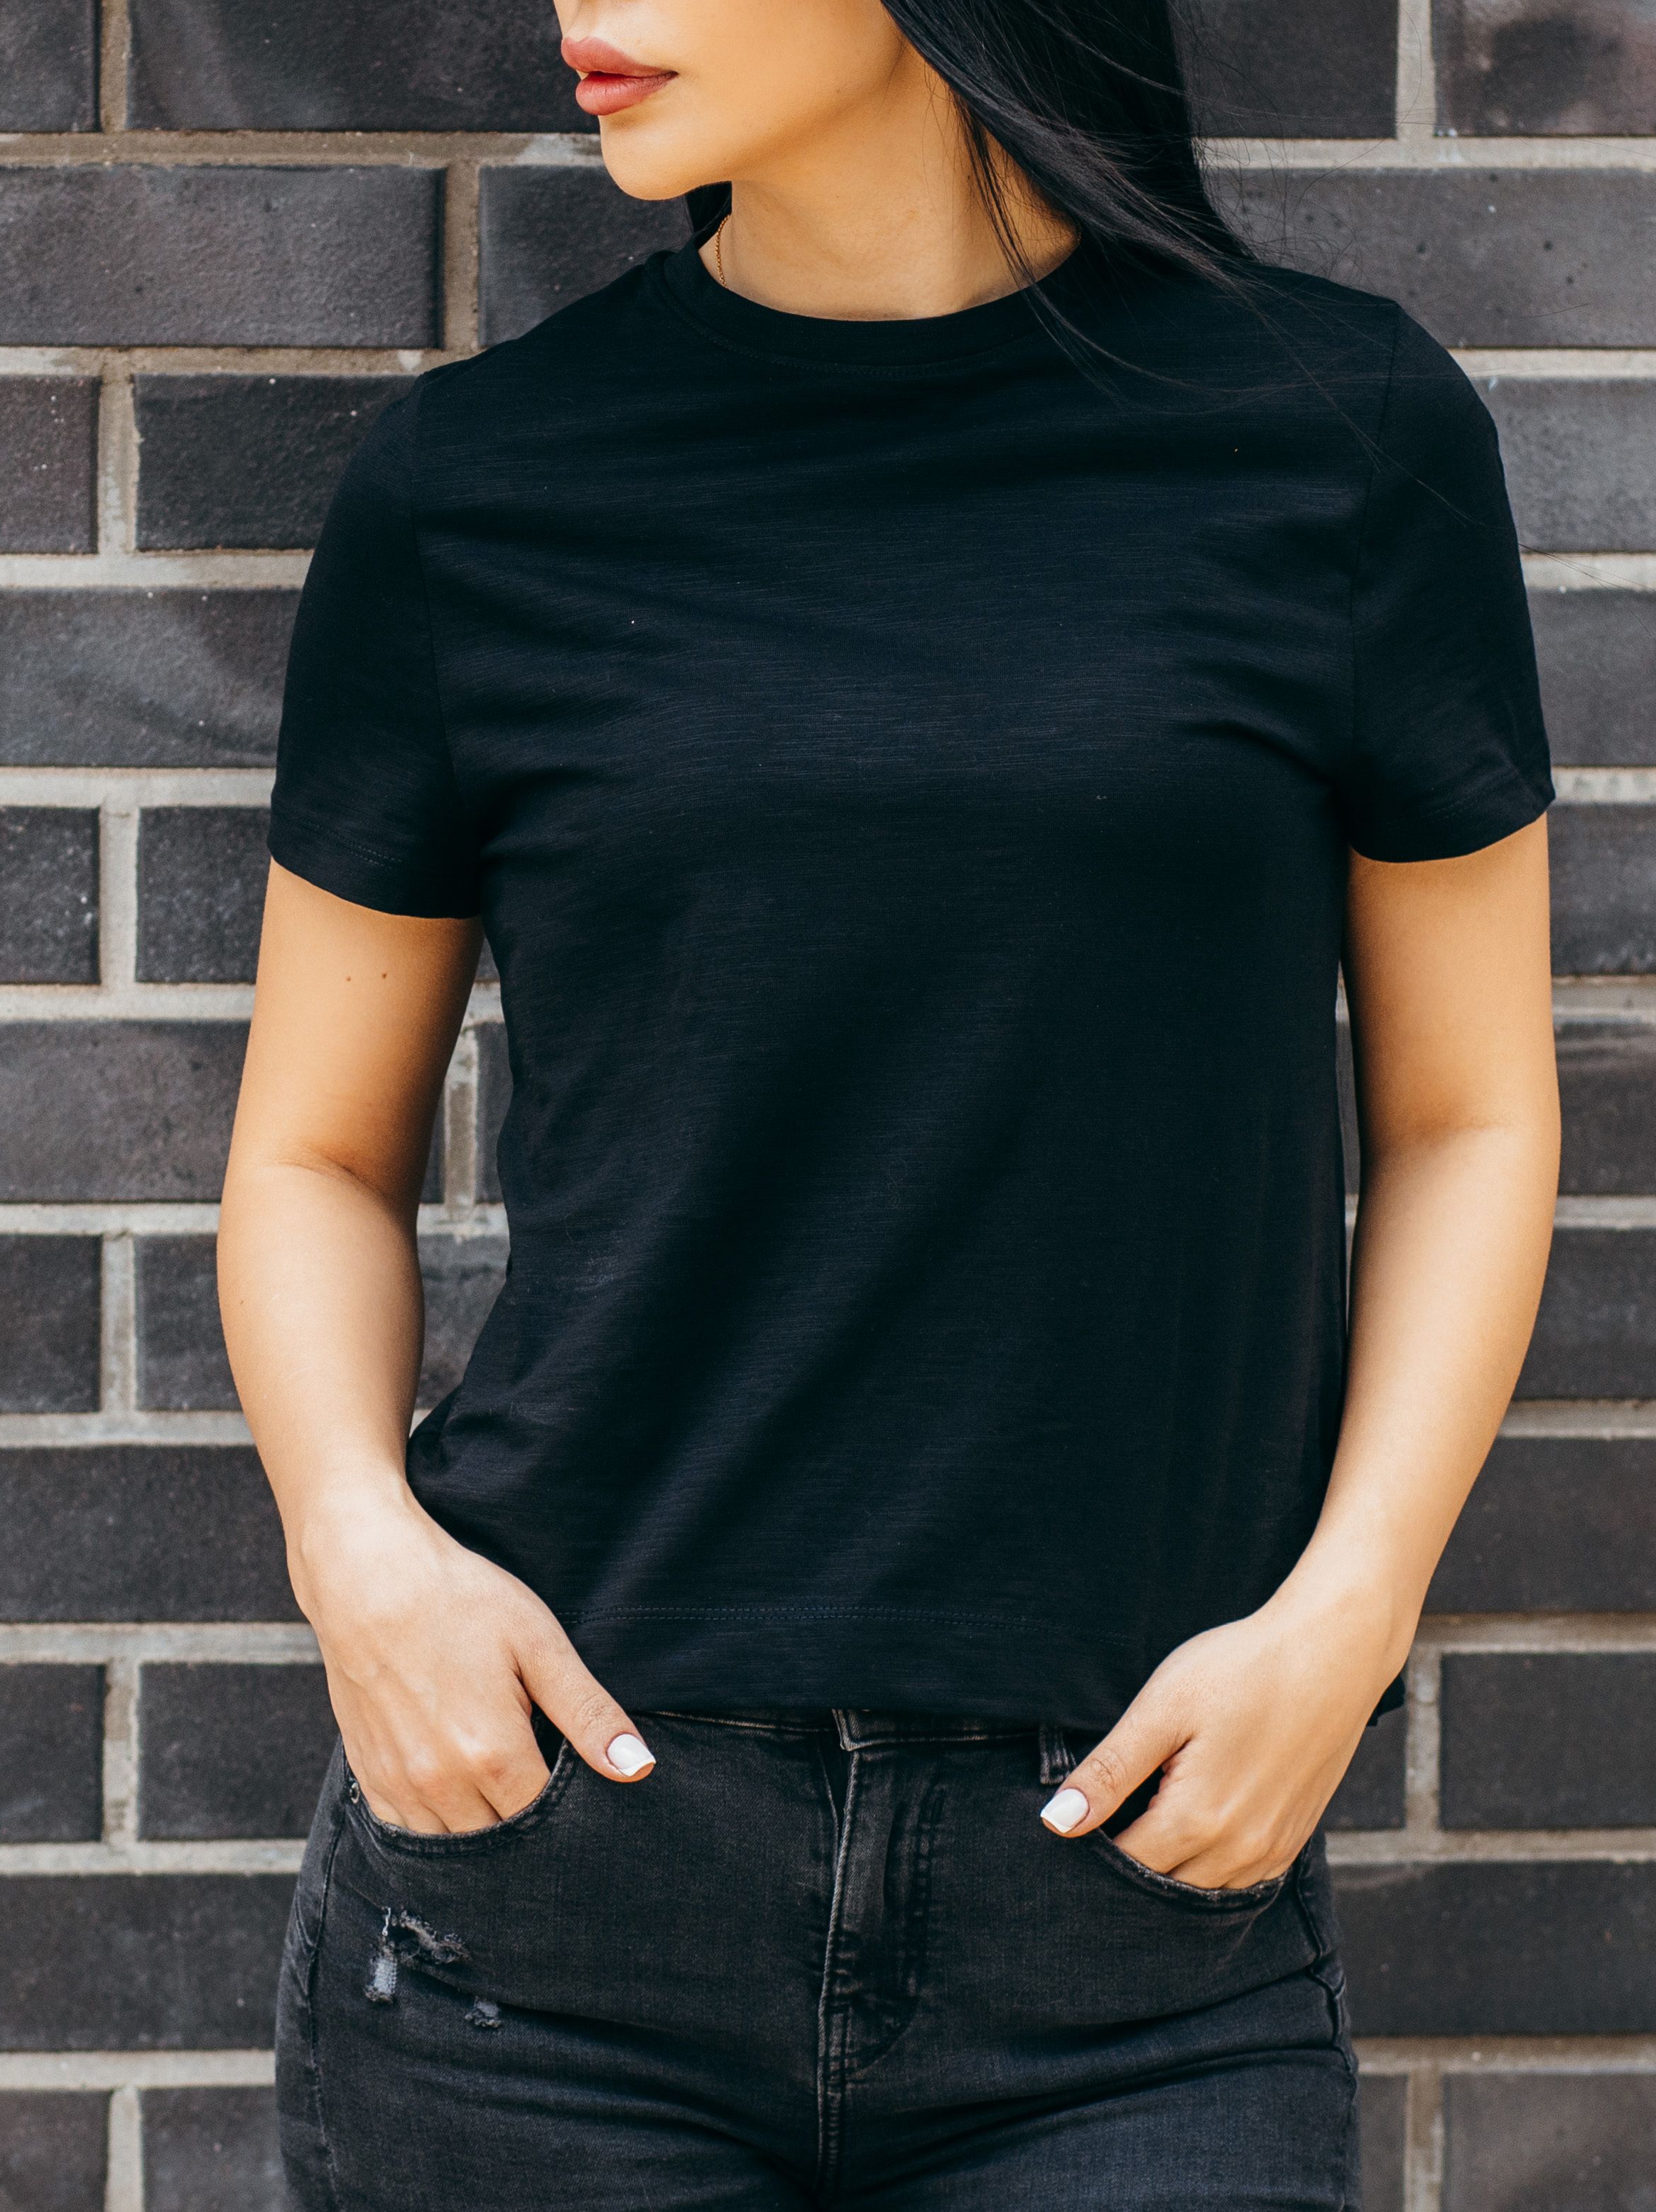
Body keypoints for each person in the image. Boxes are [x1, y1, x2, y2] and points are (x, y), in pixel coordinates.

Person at [215, 0, 1561, 2200]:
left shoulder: (1338, 435)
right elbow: (310, 1153)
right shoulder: (476, 485)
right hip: (551, 1909)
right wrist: (359, 1552)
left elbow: (1473, 1112)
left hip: (1138, 1940)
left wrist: (1354, 1606)